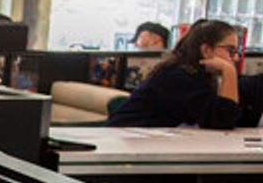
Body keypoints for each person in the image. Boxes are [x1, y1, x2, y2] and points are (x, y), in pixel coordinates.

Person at [108, 18, 263, 129]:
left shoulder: (197, 75)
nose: (234, 58)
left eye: (236, 52)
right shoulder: (178, 76)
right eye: (230, 51)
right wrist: (229, 71)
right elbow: (225, 119)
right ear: (206, 50)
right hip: (124, 147)